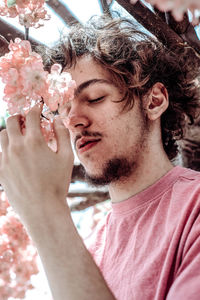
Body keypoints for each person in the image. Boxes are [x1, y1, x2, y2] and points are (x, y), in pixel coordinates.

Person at [0, 15, 200, 300]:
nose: (73, 120)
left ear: (154, 101)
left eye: (94, 98)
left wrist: (45, 210)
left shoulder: (194, 207)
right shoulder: (87, 252)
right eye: (63, 108)